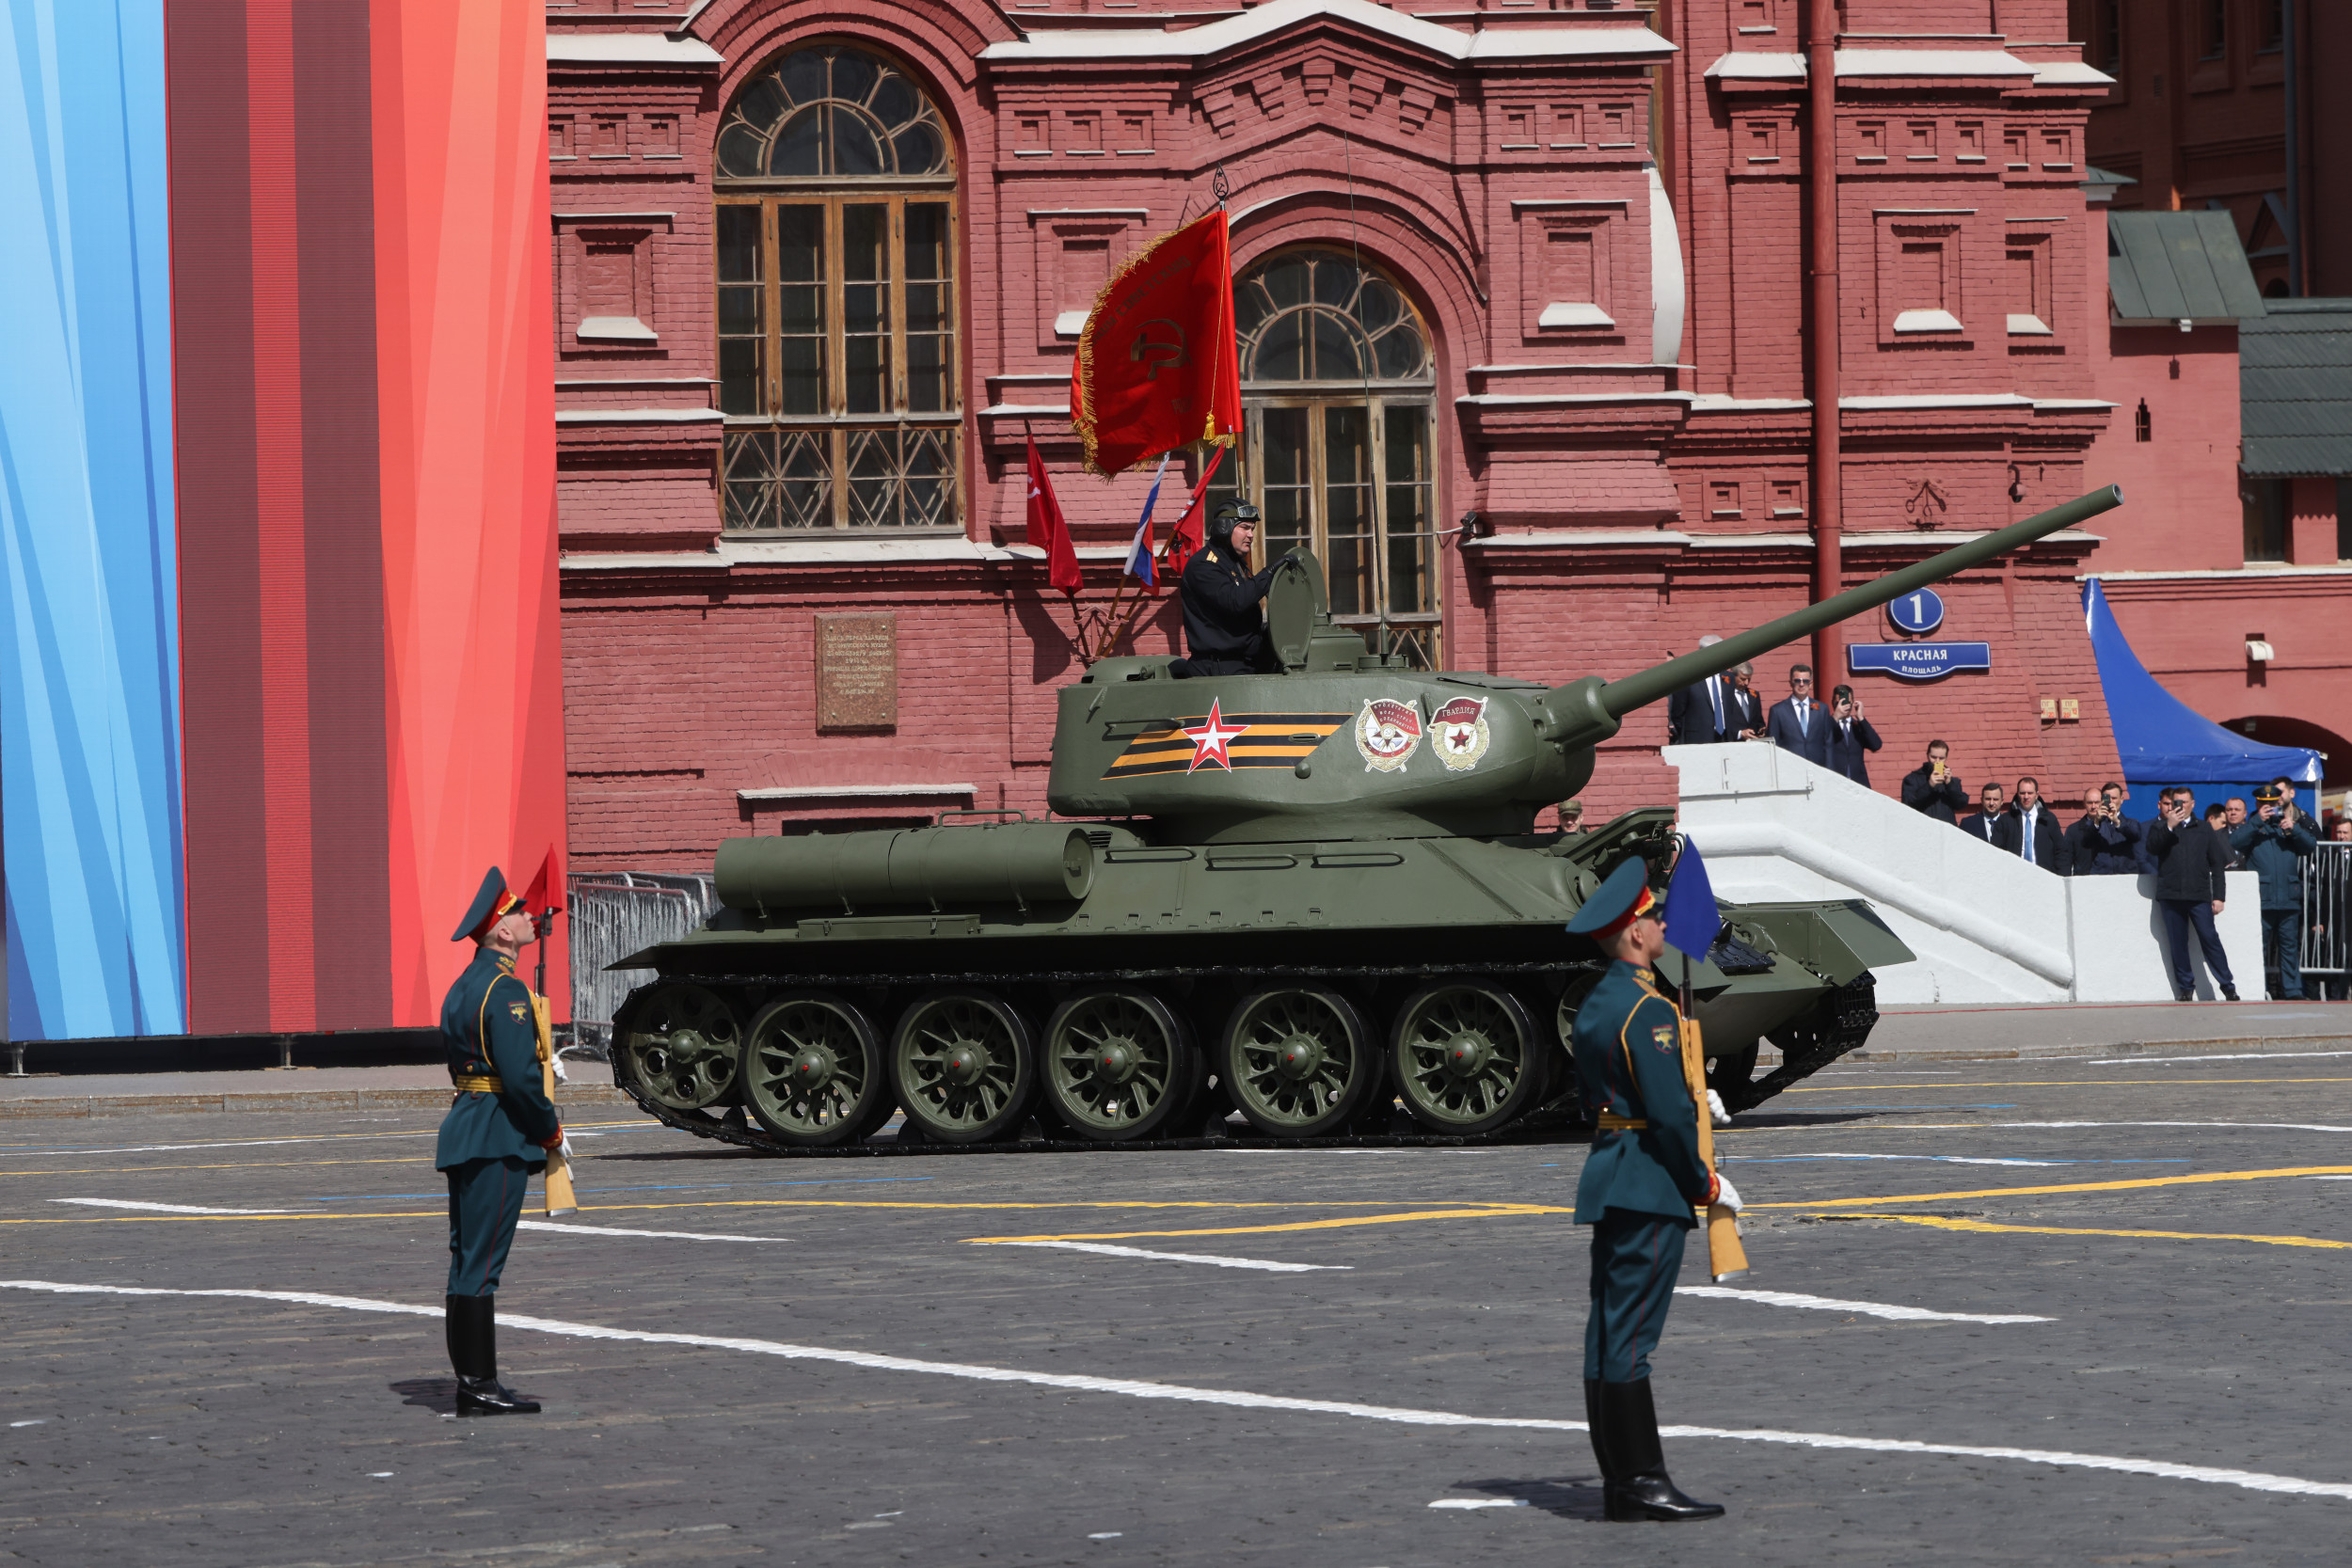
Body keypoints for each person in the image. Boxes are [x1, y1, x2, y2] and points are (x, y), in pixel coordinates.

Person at [1565, 860, 1735, 1523]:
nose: (1664, 922)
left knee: (1606, 1332)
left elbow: (1599, 1097)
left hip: (1611, 1172)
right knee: (1632, 1335)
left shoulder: (1600, 1004)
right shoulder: (1648, 1008)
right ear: (1636, 935)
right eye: (1654, 916)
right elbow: (1665, 1115)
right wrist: (1705, 1179)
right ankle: (1642, 1481)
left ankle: (1620, 1480)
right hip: (1649, 1184)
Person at [437, 867, 566, 1417]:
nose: (528, 916)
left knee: (466, 1260)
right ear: (503, 934)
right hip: (496, 1134)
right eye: (517, 912)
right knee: (482, 1263)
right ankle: (478, 1385)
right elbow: (518, 1078)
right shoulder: (506, 989)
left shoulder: (464, 986)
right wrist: (549, 1127)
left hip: (468, 1124)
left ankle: (474, 1380)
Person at [2146, 787, 2240, 1003]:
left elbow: (2217, 864)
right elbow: (2151, 848)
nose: (2180, 806)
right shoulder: (2161, 826)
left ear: (2193, 804)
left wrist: (2219, 897)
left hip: (2198, 896)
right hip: (2171, 895)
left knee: (2210, 939)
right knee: (2178, 944)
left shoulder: (2204, 829)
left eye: (2185, 802)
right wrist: (2170, 826)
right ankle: (2186, 987)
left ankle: (2228, 986)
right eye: (2176, 802)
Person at [1175, 502, 1288, 676]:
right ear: (1223, 528)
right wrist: (1269, 573)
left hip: (1242, 663)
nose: (1251, 535)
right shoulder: (1203, 565)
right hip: (1219, 668)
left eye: (1252, 529)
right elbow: (1235, 600)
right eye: (1244, 528)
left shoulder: (1234, 564)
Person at [2232, 783, 2317, 1000]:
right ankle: (2254, 989)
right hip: (2262, 898)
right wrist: (2257, 820)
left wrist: (2294, 829)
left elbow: (2309, 846)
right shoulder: (2253, 826)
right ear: (2258, 804)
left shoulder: (2287, 827)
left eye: (2273, 804)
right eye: (2265, 804)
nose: (2270, 808)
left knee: (2289, 948)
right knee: (2257, 947)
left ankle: (2293, 991)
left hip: (2288, 897)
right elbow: (2235, 841)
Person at [2067, 781, 2144, 874]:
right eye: (2107, 798)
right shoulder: (2095, 824)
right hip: (2101, 878)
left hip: (2125, 877)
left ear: (2122, 799)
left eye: (2114, 798)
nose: (2111, 801)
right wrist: (2096, 822)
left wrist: (2118, 822)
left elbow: (2136, 835)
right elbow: (2086, 842)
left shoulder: (2131, 823)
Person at [1666, 637, 1731, 745]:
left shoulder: (1728, 678)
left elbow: (1730, 709)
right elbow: (1678, 713)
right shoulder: (1688, 679)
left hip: (1725, 738)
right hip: (1697, 739)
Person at [1764, 664, 1830, 766]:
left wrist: (1830, 771)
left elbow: (1828, 743)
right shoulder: (1778, 711)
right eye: (1797, 681)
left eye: (1805, 681)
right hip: (1790, 767)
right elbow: (1774, 745)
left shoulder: (1822, 709)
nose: (1802, 684)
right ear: (1790, 683)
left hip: (1817, 767)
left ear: (1811, 684)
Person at [2000, 776, 2068, 874]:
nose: (2026, 797)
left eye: (2030, 793)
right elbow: (1997, 851)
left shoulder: (2049, 819)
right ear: (2018, 794)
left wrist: (2062, 878)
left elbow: (2061, 851)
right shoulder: (2006, 820)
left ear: (2037, 795)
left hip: (2043, 876)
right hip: (2014, 876)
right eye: (2022, 793)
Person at [1821, 685, 1882, 786]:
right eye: (1838, 703)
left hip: (1859, 784)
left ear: (1853, 703)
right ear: (1833, 703)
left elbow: (1876, 745)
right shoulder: (1827, 725)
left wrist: (1861, 718)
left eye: (1846, 702)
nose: (1843, 706)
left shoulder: (1858, 726)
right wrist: (1836, 717)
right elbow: (1820, 741)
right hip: (1835, 784)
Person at [1902, 739, 1967, 825]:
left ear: (1946, 758)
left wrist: (1950, 784)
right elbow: (1907, 804)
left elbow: (1961, 804)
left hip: (1947, 831)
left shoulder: (1952, 781)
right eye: (1933, 757)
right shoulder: (1913, 778)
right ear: (1927, 756)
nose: (1937, 761)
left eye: (1941, 758)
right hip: (1922, 828)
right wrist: (1929, 785)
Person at [1725, 663, 1767, 739]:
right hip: (1732, 744)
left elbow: (1759, 721)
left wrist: (1761, 729)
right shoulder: (1725, 695)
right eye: (1743, 679)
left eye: (1749, 679)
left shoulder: (1754, 695)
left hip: (1752, 744)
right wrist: (1740, 734)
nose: (1746, 683)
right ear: (1733, 676)